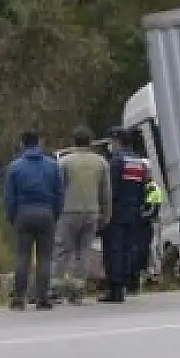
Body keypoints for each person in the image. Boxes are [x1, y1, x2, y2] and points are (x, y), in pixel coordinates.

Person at [2, 130, 63, 311]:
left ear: (22, 144)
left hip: (24, 213)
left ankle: (19, 297)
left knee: (22, 257)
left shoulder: (14, 167)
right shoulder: (53, 166)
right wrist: (55, 214)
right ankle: (42, 297)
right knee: (45, 258)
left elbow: (9, 197)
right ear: (39, 143)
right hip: (46, 213)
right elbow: (60, 194)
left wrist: (12, 217)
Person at [54, 127, 109, 304]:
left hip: (68, 211)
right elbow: (106, 192)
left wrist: (55, 211)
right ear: (91, 142)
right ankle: (77, 290)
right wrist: (106, 214)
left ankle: (55, 287)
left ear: (74, 141)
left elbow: (58, 189)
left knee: (63, 250)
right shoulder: (101, 163)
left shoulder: (64, 162)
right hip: (92, 211)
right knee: (84, 251)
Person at [101, 128, 147, 303]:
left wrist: (105, 210)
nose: (110, 145)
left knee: (114, 250)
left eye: (111, 141)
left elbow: (110, 189)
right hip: (133, 211)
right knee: (127, 249)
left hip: (117, 212)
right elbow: (143, 187)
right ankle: (124, 284)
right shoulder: (138, 162)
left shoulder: (116, 161)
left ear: (117, 141)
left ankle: (115, 288)